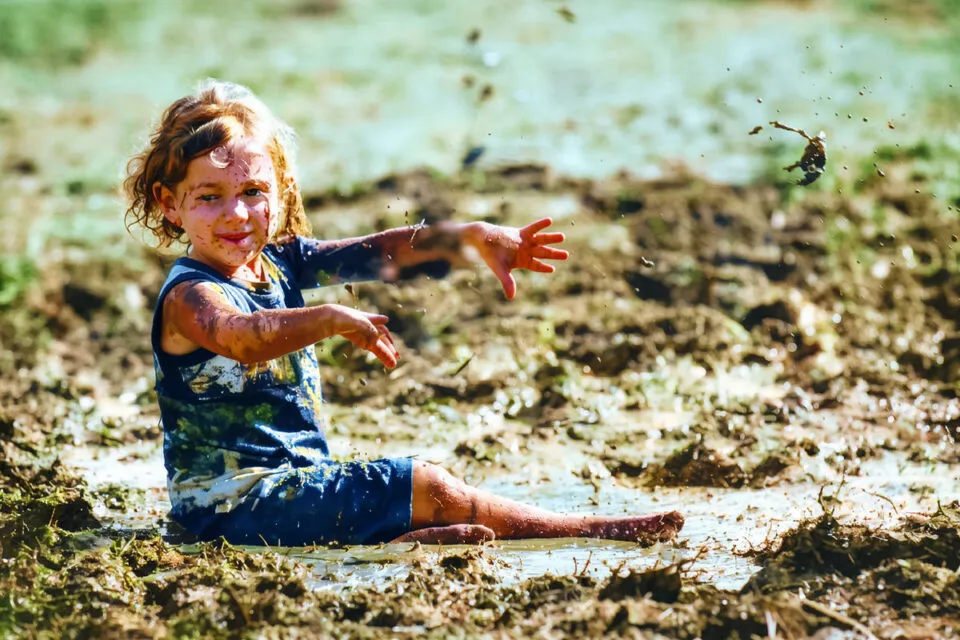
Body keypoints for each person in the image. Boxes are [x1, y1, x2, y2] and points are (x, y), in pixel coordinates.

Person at [123, 79, 684, 547]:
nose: (236, 213)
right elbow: (242, 338)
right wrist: (329, 319)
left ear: (282, 188)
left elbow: (382, 253)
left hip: (295, 488)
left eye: (252, 190)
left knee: (421, 484)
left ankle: (384, 543)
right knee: (427, 484)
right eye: (209, 197)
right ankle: (592, 530)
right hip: (230, 512)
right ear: (169, 204)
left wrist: (470, 238)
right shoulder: (190, 296)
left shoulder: (281, 263)